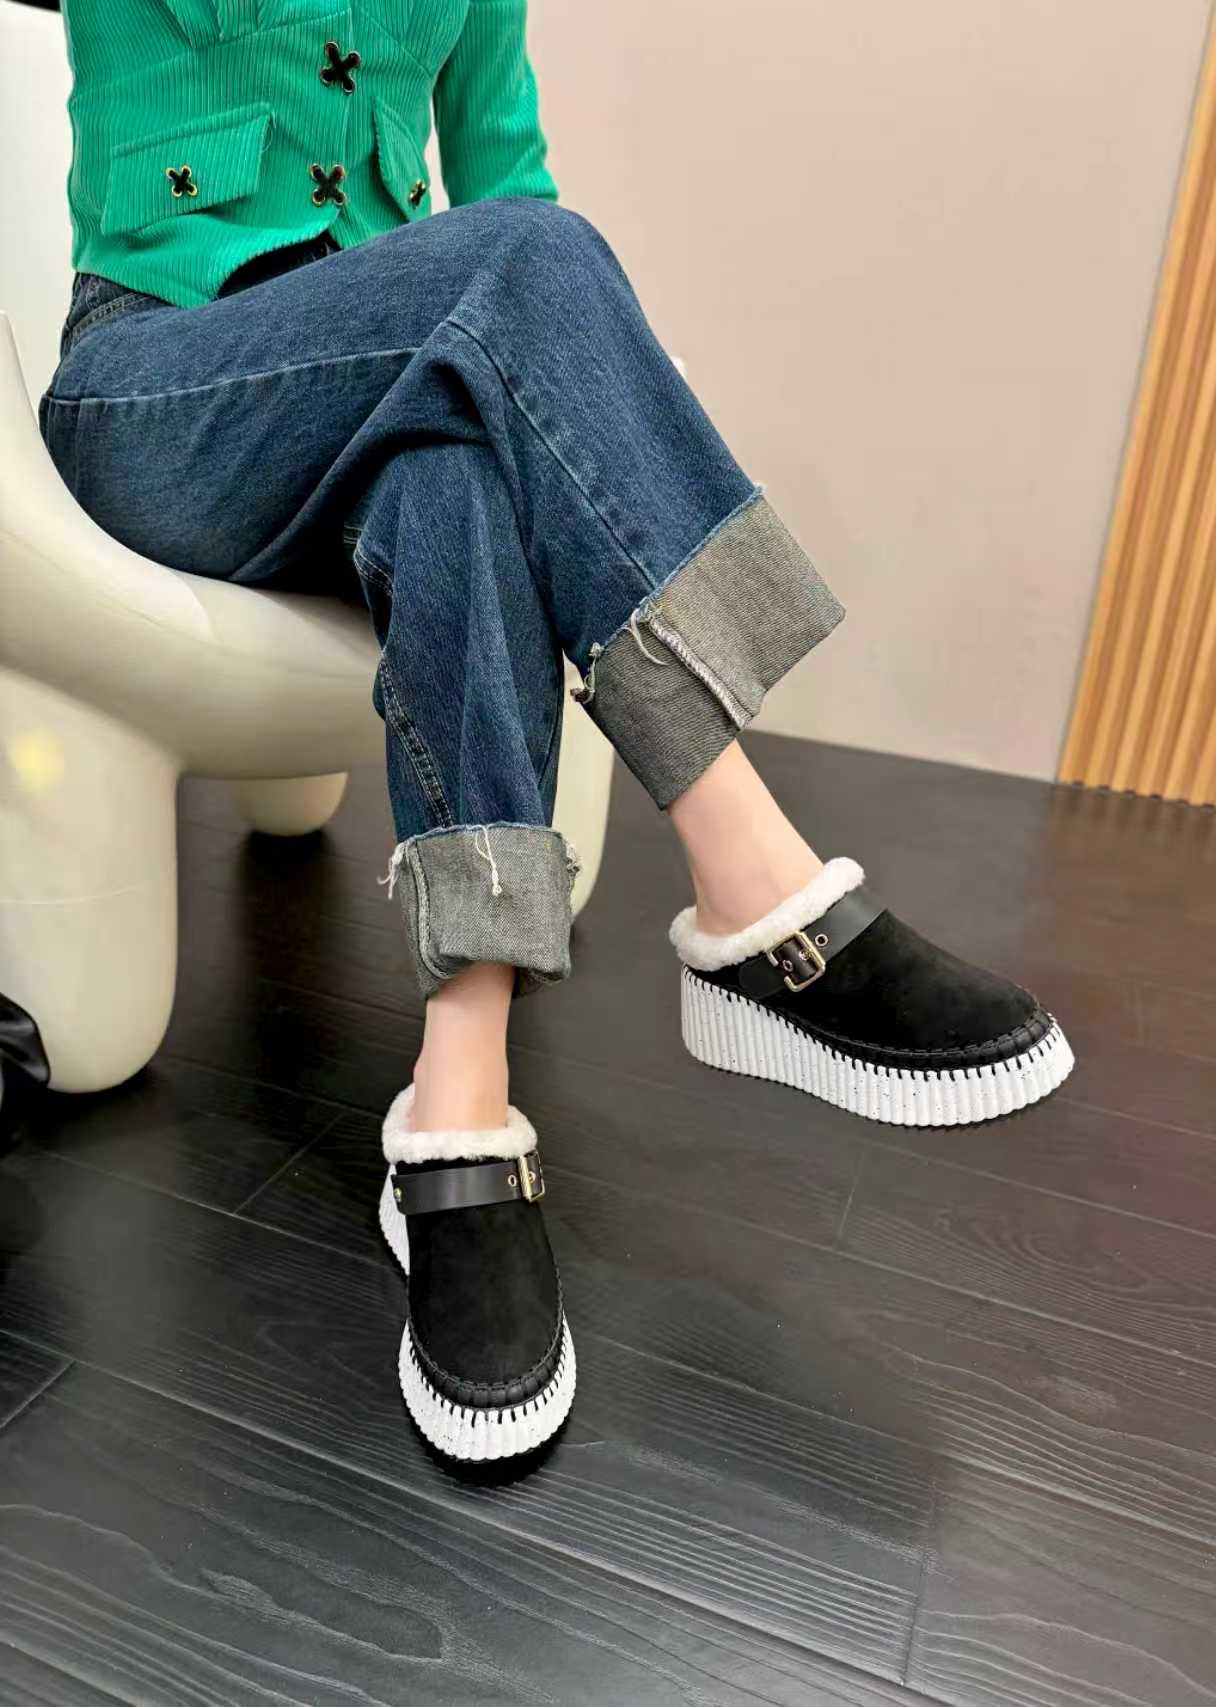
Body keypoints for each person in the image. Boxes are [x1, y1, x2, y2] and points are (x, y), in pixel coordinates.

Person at [37, 0, 1073, 1463]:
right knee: (527, 268)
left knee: (459, 475)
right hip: (162, 383)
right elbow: (517, 246)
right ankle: (754, 885)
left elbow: (505, 177)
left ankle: (458, 1105)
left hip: (390, 374)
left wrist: (554, 412)